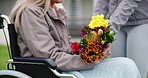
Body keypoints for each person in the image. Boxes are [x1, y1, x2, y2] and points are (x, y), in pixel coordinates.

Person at [9, 0, 141, 78]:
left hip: (67, 66)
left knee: (126, 63)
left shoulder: (57, 10)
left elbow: (67, 48)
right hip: (53, 71)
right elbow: (49, 56)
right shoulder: (31, 12)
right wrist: (86, 60)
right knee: (125, 67)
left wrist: (92, 51)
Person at [93, 0, 148, 78]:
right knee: (117, 72)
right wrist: (94, 29)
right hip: (115, 24)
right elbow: (102, 3)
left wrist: (110, 29)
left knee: (136, 73)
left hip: (141, 22)